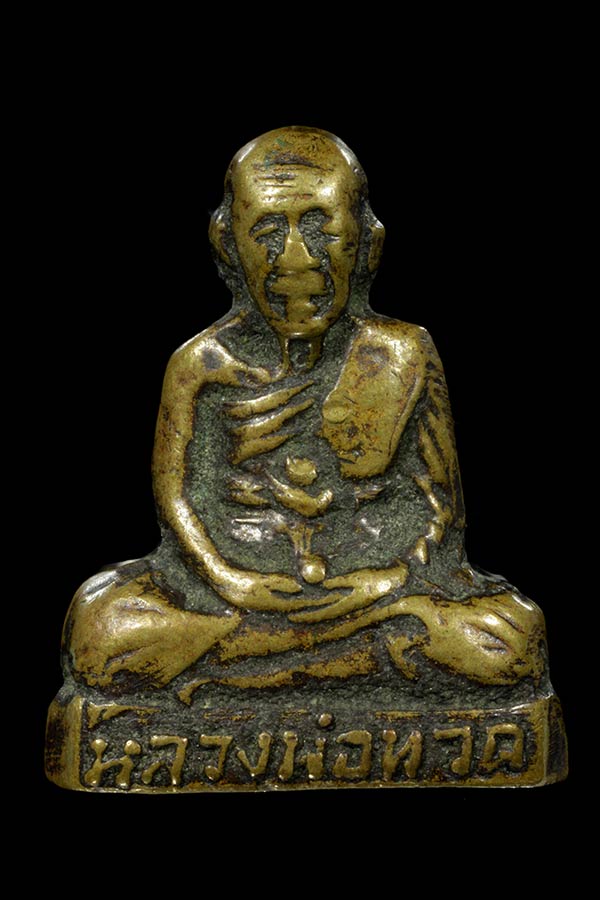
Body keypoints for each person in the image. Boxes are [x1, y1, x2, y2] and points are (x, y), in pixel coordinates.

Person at [63, 127, 546, 697]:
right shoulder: (202, 364)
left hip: (374, 594)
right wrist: (230, 580)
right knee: (101, 629)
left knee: (510, 639)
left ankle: (253, 665)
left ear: (366, 243)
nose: (296, 258)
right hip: (237, 597)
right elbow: (176, 503)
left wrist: (387, 580)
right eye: (268, 231)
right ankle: (339, 664)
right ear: (227, 244)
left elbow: (441, 512)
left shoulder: (401, 354)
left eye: (321, 229)